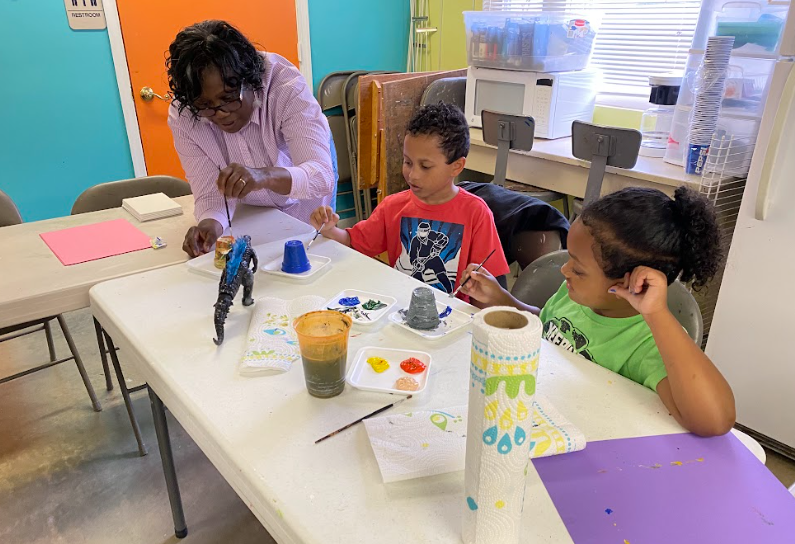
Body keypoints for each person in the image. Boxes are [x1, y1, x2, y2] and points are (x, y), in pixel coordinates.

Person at [460, 186, 736, 437]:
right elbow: (548, 326)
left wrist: (657, 314)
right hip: (544, 416)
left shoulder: (646, 344)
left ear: (630, 283)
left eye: (577, 269)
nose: (564, 269)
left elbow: (715, 421)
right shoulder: (577, 297)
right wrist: (501, 298)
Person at [166, 20, 336, 257]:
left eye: (228, 97)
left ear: (251, 80)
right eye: (205, 106)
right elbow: (209, 193)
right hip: (257, 211)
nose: (220, 113)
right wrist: (209, 225)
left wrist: (264, 175)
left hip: (306, 195)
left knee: (309, 256)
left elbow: (320, 176)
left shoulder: (284, 85)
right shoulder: (185, 114)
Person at [309, 103, 510, 301]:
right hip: (400, 308)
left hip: (452, 317)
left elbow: (490, 291)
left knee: (439, 269)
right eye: (407, 162)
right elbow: (353, 243)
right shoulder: (393, 207)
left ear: (456, 167)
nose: (412, 175)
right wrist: (329, 230)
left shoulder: (476, 213)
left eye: (425, 166)